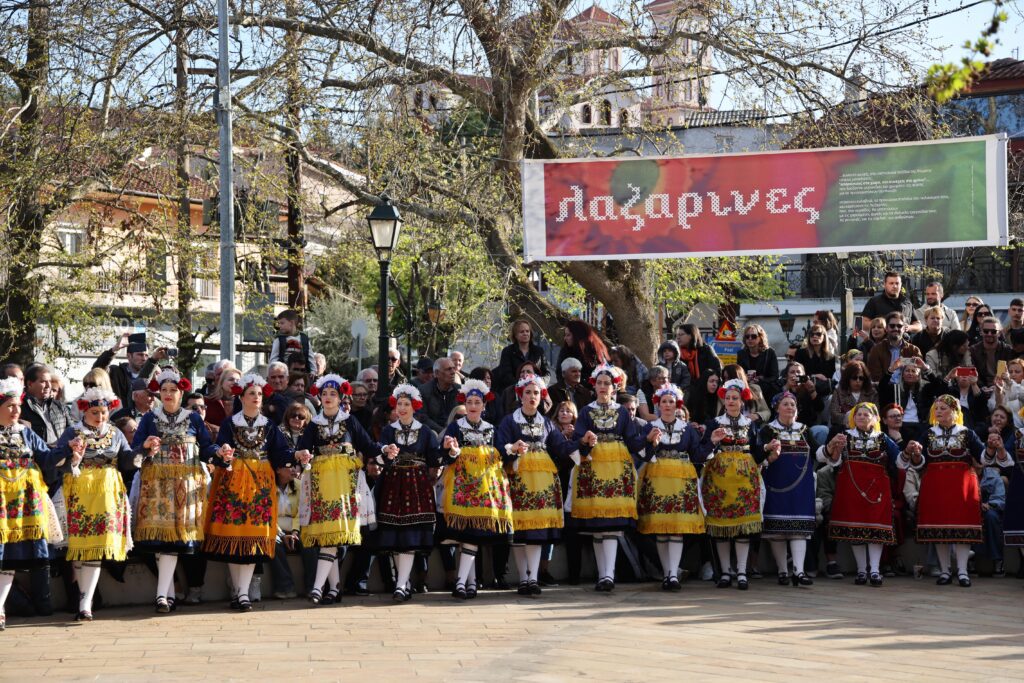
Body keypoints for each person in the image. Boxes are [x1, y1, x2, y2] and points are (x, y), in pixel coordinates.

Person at [203, 373, 298, 611]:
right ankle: (239, 592)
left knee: (252, 539)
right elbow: (219, 447)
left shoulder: (269, 426)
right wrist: (222, 451)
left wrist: (296, 455)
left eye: (259, 394)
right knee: (234, 539)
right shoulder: (230, 423)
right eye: (251, 393)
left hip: (259, 485)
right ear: (242, 397)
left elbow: (280, 454)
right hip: (233, 482)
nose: (256, 397)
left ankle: (243, 593)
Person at [132, 368, 222, 613]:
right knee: (162, 542)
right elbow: (135, 448)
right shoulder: (150, 418)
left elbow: (206, 447)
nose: (169, 394)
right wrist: (146, 446)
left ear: (181, 393)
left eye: (173, 390)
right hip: (157, 485)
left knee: (170, 543)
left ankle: (164, 596)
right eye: (164, 390)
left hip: (185, 484)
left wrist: (219, 453)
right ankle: (165, 595)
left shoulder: (193, 418)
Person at [298, 374, 383, 605]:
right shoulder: (314, 424)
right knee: (330, 536)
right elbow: (302, 448)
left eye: (333, 394)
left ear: (340, 397)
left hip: (344, 483)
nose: (328, 397)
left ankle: (318, 588)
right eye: (324, 394)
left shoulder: (350, 421)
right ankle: (334, 589)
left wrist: (385, 450)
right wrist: (301, 455)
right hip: (322, 483)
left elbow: (368, 445)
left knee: (333, 535)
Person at [54, 387, 137, 621]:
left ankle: (85, 604)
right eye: (95, 412)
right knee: (80, 549)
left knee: (96, 549)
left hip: (107, 494)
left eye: (103, 412)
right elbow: (57, 461)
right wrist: (72, 457)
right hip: (78, 493)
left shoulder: (115, 433)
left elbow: (127, 459)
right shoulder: (73, 432)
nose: (100, 417)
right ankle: (84, 601)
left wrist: (143, 452)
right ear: (84, 411)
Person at [569, 364, 652, 592]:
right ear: (594, 386)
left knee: (612, 525)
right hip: (593, 466)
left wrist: (648, 438)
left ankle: (608, 575)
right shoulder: (586, 411)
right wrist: (585, 439)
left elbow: (632, 440)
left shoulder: (622, 412)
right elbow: (578, 438)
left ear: (614, 388)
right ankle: (603, 575)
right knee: (598, 525)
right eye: (600, 383)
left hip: (617, 467)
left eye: (607, 383)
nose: (603, 387)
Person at [497, 375, 579, 595]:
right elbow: (500, 446)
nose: (532, 397)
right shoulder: (509, 421)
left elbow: (561, 447)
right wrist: (513, 448)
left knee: (536, 530)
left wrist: (581, 444)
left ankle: (532, 578)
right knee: (519, 528)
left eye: (536, 393)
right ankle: (523, 578)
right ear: (520, 395)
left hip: (542, 480)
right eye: (528, 393)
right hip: (518, 478)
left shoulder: (547, 423)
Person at [437, 379, 513, 598]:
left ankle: (466, 583)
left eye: (477, 402)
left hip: (485, 487)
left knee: (473, 535)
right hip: (461, 486)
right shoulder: (456, 426)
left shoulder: (492, 429)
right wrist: (451, 450)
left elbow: (502, 453)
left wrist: (514, 449)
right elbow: (445, 456)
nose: (472, 406)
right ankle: (465, 583)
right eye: (469, 402)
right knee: (468, 534)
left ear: (484, 405)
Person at [902, 394, 987, 587]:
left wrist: (991, 447)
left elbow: (983, 456)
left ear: (954, 411)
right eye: (936, 408)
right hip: (936, 485)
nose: (938, 412)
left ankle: (963, 572)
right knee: (939, 528)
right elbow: (919, 462)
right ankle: (945, 571)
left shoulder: (967, 433)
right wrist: (916, 454)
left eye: (943, 408)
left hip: (962, 486)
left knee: (963, 528)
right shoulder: (928, 433)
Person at [0, 378, 62, 632]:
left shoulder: (25, 432)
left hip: (26, 499)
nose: (16, 410)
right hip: (3, 500)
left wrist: (69, 449)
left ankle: (10, 607)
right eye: (10, 406)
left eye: (18, 405)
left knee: (21, 554)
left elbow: (47, 457)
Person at [821, 402, 902, 586]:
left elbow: (899, 460)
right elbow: (832, 461)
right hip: (851, 487)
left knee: (876, 530)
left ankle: (874, 571)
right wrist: (836, 448)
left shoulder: (882, 438)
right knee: (855, 529)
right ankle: (861, 570)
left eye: (866, 414)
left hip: (877, 489)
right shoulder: (845, 436)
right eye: (859, 414)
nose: (862, 417)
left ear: (875, 419)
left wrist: (909, 449)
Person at [636, 384, 704, 591]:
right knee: (661, 529)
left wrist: (712, 442)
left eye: (671, 402)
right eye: (664, 402)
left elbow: (697, 455)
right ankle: (668, 574)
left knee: (677, 529)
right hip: (657, 479)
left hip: (681, 479)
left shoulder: (687, 429)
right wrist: (651, 442)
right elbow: (643, 455)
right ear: (658, 404)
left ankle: (673, 574)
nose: (667, 405)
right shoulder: (650, 427)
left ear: (677, 405)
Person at [376, 384, 438, 602]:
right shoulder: (388, 430)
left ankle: (401, 584)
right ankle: (403, 582)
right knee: (395, 534)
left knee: (410, 535)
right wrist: (385, 452)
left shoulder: (425, 431)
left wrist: (451, 451)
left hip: (416, 486)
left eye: (406, 404)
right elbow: (380, 456)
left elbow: (434, 458)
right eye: (399, 404)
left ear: (415, 407)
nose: (402, 408)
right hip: (393, 484)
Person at [699, 379, 763, 590]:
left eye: (735, 398)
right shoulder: (714, 423)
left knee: (743, 527)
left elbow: (757, 451)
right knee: (721, 527)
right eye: (728, 398)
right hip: (720, 478)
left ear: (742, 401)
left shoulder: (750, 424)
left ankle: (742, 572)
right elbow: (704, 449)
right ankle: (726, 572)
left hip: (745, 478)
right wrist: (713, 441)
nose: (731, 401)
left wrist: (769, 449)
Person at [760, 392, 821, 587]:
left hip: (801, 487)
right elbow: (758, 455)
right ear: (776, 408)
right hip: (775, 484)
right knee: (777, 531)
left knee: (799, 530)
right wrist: (768, 454)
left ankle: (799, 571)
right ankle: (782, 571)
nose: (789, 407)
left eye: (793, 404)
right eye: (785, 404)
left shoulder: (804, 430)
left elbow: (819, 453)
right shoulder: (768, 429)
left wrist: (832, 447)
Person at [92, 332, 161, 408]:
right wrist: (115, 349)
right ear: (129, 356)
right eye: (140, 355)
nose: (144, 359)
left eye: (146, 355)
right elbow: (96, 371)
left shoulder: (153, 375)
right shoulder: (115, 372)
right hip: (120, 414)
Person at [493, 320, 550, 395]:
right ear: (515, 335)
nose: (525, 333)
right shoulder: (508, 351)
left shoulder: (539, 351)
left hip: (535, 392)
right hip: (514, 393)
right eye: (522, 332)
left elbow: (546, 374)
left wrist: (538, 383)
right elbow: (506, 375)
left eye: (527, 331)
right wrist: (522, 386)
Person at [21, 364, 72, 447]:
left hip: (61, 452)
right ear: (30, 384)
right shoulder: (20, 407)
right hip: (36, 454)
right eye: (43, 381)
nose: (48, 386)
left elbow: (71, 431)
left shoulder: (59, 406)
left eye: (49, 381)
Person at [865, 312, 923, 384]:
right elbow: (875, 377)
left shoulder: (914, 350)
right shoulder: (876, 350)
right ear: (886, 328)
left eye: (899, 326)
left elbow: (918, 374)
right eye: (892, 326)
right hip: (884, 388)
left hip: (906, 388)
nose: (896, 328)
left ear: (904, 328)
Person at [972, 460, 1006, 576]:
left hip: (991, 508)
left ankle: (998, 560)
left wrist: (989, 504)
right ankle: (970, 559)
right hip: (971, 509)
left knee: (991, 517)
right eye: (975, 458)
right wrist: (977, 505)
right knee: (970, 518)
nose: (979, 461)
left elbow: (1000, 498)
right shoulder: (966, 475)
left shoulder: (993, 475)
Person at [417, 358, 460, 434]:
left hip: (455, 432)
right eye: (448, 369)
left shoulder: (460, 390)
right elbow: (423, 418)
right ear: (436, 373)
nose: (453, 372)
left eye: (453, 368)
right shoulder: (423, 391)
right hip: (433, 433)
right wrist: (443, 431)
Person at [830, 360, 878, 428]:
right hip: (844, 428)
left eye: (861, 378)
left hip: (867, 428)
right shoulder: (839, 392)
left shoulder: (872, 393)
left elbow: (876, 414)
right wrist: (852, 419)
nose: (858, 381)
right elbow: (834, 414)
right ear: (848, 378)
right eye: (854, 378)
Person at [969, 316, 1014, 388]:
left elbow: (1012, 373)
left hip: (1003, 386)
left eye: (993, 331)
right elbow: (972, 373)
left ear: (999, 333)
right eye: (986, 331)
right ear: (981, 332)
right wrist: (982, 387)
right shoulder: (973, 350)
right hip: (980, 388)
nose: (989, 334)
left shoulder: (1007, 350)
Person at [794, 324, 837, 397]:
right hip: (806, 392)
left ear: (824, 337)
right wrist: (813, 376)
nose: (815, 336)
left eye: (818, 334)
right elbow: (797, 378)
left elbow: (831, 378)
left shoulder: (831, 357)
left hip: (824, 392)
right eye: (812, 334)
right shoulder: (801, 353)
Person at [269, 309, 316, 375]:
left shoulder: (304, 338)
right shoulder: (279, 339)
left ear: (291, 323)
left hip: (302, 374)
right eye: (279, 323)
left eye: (282, 323)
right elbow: (273, 359)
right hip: (285, 374)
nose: (279, 326)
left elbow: (310, 357)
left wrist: (313, 372)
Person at [737, 323, 779, 396]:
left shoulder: (769, 353)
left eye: (753, 336)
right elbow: (738, 374)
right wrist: (745, 377)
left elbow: (775, 376)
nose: (750, 339)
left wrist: (761, 378)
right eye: (747, 336)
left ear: (760, 338)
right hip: (747, 389)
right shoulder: (741, 354)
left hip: (765, 391)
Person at [204, 366, 241, 438]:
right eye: (231, 379)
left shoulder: (245, 403)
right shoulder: (207, 401)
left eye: (238, 380)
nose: (235, 383)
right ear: (221, 382)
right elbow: (199, 421)